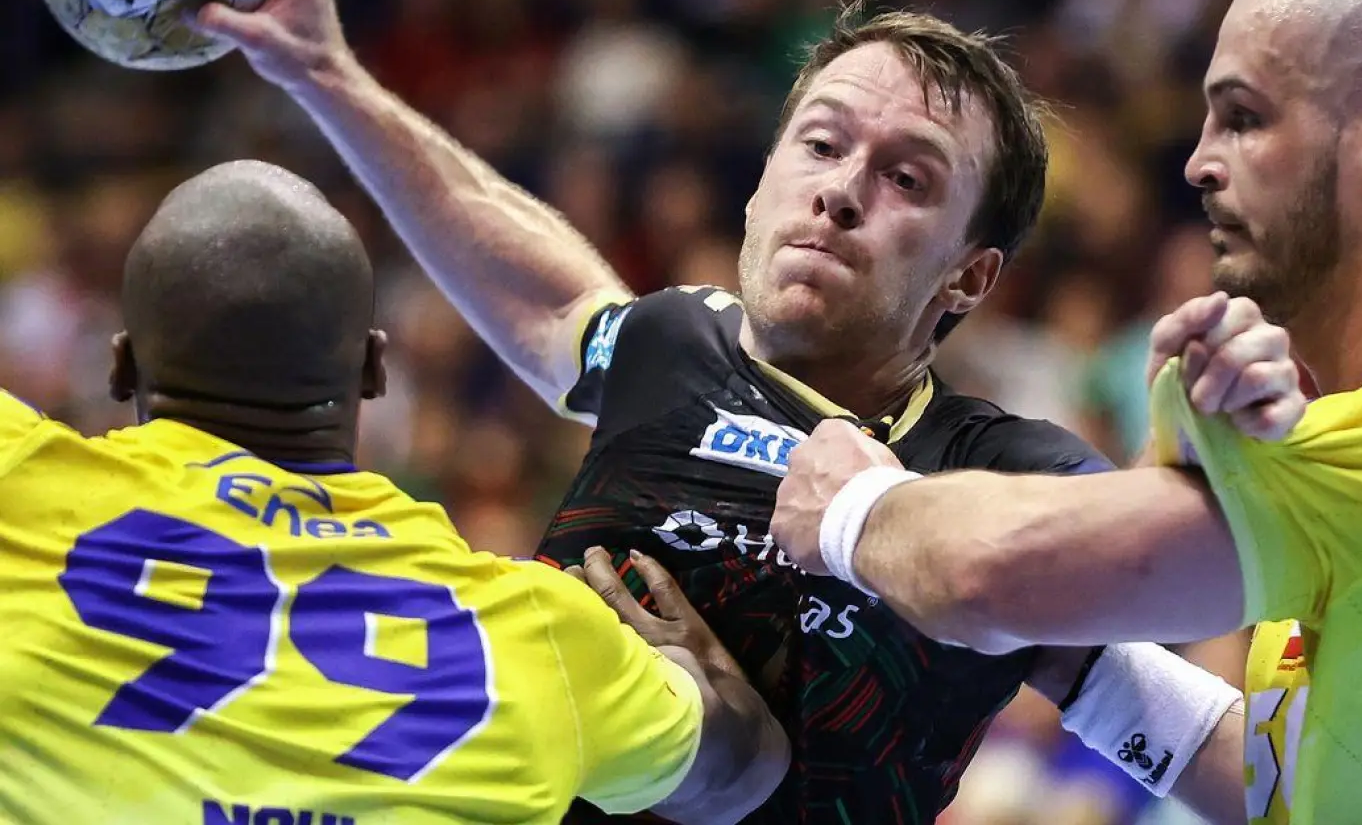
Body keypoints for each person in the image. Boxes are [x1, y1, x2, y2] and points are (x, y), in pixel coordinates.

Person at [190, 0, 1298, 822]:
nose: (840, 192)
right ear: (762, 181)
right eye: (818, 146)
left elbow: (1212, 738)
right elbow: (527, 273)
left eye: (906, 177)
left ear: (969, 278)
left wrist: (1251, 449)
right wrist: (322, 69)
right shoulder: (669, 346)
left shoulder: (999, 474)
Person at [769, 0, 1362, 825]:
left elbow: (988, 572)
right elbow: (1289, 787)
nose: (1199, 161)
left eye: (1242, 118)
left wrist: (855, 509)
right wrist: (1075, 659)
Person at [0, 160, 789, 824]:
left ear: (121, 367)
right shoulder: (540, 630)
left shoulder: (18, 485)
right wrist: (706, 676)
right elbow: (740, 772)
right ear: (377, 371)